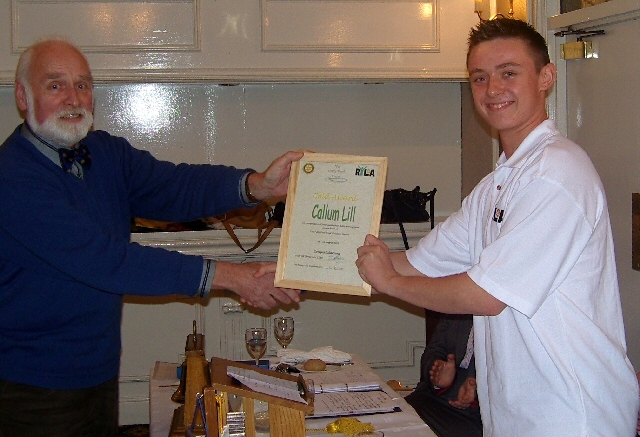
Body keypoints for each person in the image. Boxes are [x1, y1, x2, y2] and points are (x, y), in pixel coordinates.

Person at [0, 39, 302, 436]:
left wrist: (253, 186)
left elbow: (171, 185)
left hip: (99, 371)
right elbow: (106, 261)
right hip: (31, 388)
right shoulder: (12, 178)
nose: (74, 98)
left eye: (84, 85)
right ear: (23, 96)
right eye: (55, 85)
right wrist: (232, 276)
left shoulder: (102, 152)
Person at [356, 17, 639, 436]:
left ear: (546, 77)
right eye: (479, 78)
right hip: (515, 417)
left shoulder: (556, 172)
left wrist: (389, 283)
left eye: (509, 73)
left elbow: (485, 296)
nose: (492, 90)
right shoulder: (498, 185)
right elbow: (417, 263)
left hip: (573, 415)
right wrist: (302, 267)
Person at [405, 315, 481, 437]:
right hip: (432, 398)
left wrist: (478, 389)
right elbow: (434, 350)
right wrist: (437, 372)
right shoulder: (458, 304)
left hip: (476, 416)